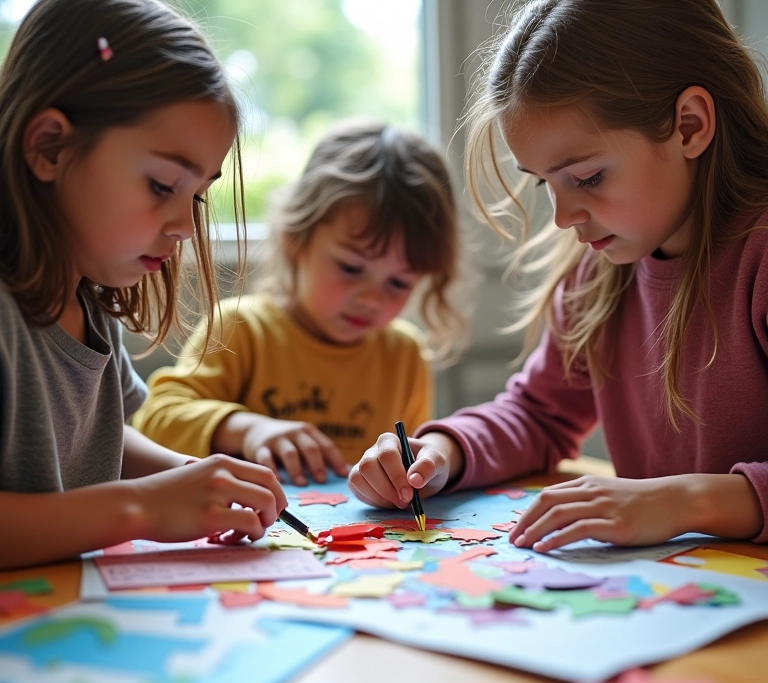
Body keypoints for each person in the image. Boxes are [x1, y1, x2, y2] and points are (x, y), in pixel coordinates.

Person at [348, 0, 768, 552]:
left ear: (689, 125)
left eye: (588, 177)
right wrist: (441, 453)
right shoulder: (602, 269)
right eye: (544, 182)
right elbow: (538, 416)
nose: (563, 217)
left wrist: (686, 502)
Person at [0, 0, 288, 571]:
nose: (185, 226)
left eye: (197, 196)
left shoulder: (88, 298)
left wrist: (187, 475)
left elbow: (102, 440)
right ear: (49, 147)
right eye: (162, 185)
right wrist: (142, 508)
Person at [133, 119, 467, 486]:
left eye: (399, 282)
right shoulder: (241, 329)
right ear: (295, 237)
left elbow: (409, 464)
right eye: (351, 268)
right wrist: (247, 429)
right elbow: (155, 420)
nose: (371, 299)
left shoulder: (404, 355)